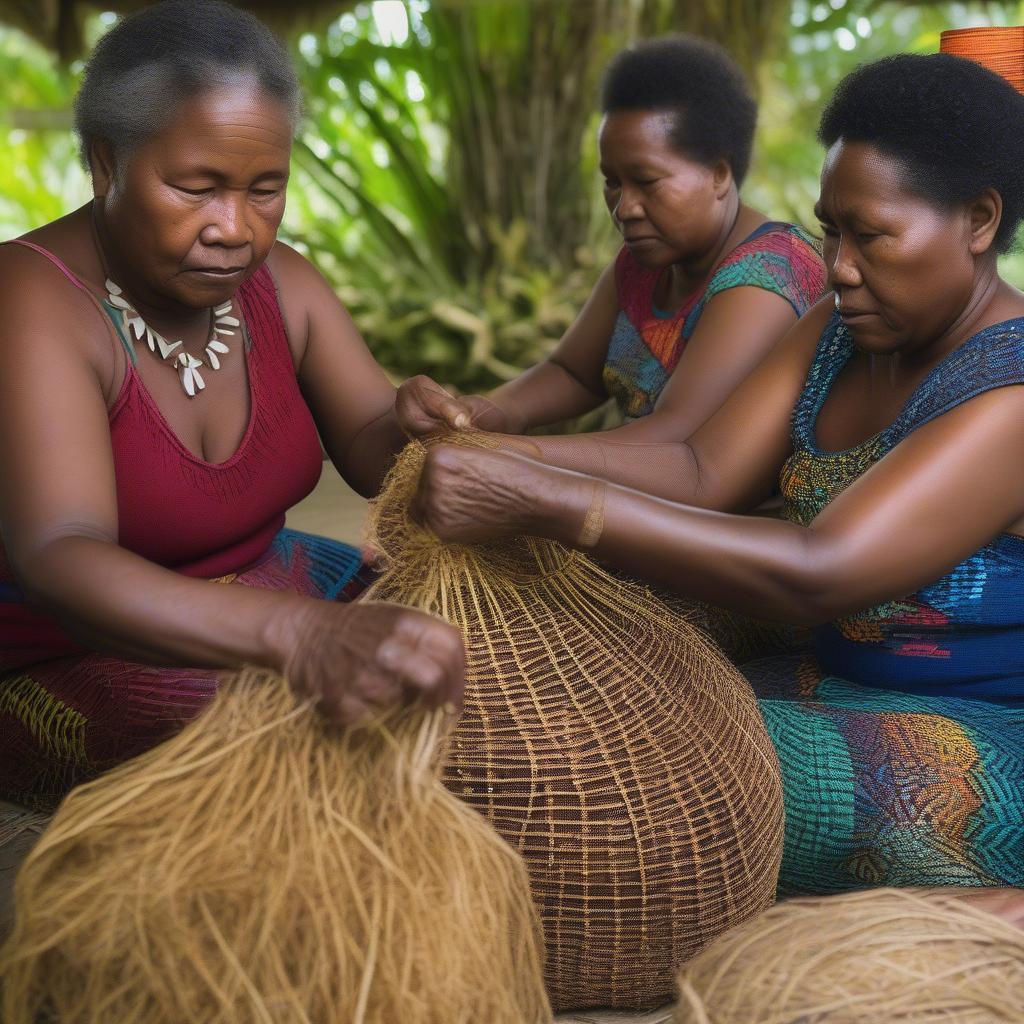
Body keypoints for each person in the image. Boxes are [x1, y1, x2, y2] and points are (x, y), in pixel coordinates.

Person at [414, 53, 1024, 908]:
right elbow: (700, 469)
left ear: (978, 220)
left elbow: (821, 567)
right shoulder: (837, 332)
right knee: (557, 683)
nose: (840, 266)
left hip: (987, 742)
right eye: (829, 231)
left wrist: (548, 501)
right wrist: (494, 449)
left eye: (871, 235)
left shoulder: (1011, 389)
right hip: (826, 679)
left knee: (656, 770)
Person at [0, 1, 463, 810]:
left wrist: (418, 426)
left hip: (266, 583)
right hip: (64, 651)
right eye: (196, 187)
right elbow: (59, 556)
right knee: (287, 741)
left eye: (264, 189)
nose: (234, 229)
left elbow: (366, 444)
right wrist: (299, 636)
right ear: (105, 163)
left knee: (465, 654)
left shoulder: (283, 282)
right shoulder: (32, 300)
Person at [396, 35, 827, 454]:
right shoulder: (643, 264)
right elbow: (571, 373)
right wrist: (483, 413)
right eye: (612, 182)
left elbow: (676, 436)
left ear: (718, 174)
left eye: (646, 181)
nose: (624, 208)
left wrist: (510, 455)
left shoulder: (770, 272)